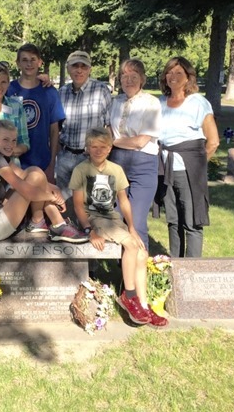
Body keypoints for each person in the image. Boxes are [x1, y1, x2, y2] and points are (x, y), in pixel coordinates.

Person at [70, 127, 167, 327]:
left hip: (112, 219)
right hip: (95, 219)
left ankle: (143, 305)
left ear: (110, 148)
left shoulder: (116, 169)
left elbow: (123, 201)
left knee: (142, 252)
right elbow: (78, 205)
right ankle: (128, 296)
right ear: (87, 148)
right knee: (130, 245)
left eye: (103, 147)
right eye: (94, 147)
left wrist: (132, 227)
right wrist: (89, 229)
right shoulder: (81, 170)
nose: (98, 151)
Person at [0, 120, 86, 243]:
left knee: (34, 171)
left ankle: (38, 221)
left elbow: (23, 174)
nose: (10, 145)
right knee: (34, 178)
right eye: (5, 139)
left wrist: (52, 187)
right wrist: (53, 197)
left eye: (14, 140)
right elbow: (27, 191)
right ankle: (58, 225)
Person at [158, 56, 219, 258]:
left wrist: (197, 165)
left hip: (188, 169)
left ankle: (192, 268)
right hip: (165, 169)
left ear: (188, 77)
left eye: (178, 73)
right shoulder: (160, 103)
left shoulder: (198, 103)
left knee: (191, 222)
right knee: (173, 220)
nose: (173, 76)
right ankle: (175, 265)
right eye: (169, 72)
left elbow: (213, 141)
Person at [109, 58, 161, 251]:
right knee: (116, 219)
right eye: (124, 76)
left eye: (134, 76)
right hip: (116, 163)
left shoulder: (151, 102)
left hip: (143, 164)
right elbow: (108, 129)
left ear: (142, 79)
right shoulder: (116, 102)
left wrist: (113, 142)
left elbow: (141, 141)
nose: (128, 80)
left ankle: (140, 266)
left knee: (136, 222)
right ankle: (122, 266)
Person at [56, 50, 112, 199]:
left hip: (91, 157)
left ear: (89, 69)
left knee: (92, 201)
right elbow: (57, 126)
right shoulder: (61, 93)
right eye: (75, 66)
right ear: (68, 68)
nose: (79, 70)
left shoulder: (101, 90)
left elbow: (109, 126)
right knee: (64, 202)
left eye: (84, 66)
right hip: (65, 156)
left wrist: (104, 154)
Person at [7, 43, 65, 183]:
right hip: (14, 162)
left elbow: (54, 131)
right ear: (18, 63)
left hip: (42, 162)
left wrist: (51, 164)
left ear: (39, 62)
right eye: (24, 60)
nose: (29, 64)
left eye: (33, 59)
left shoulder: (49, 92)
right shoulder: (9, 90)